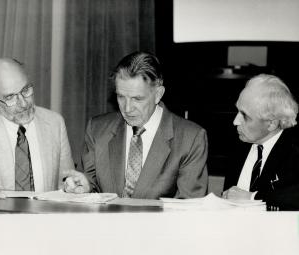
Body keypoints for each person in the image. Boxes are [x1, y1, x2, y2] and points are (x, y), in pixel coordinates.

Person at [64, 51, 208, 199]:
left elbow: (189, 209)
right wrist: (85, 186)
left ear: (158, 94)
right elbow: (92, 180)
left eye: (137, 99)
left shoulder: (191, 138)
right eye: (121, 96)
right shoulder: (97, 129)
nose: (127, 108)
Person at [0, 58, 80, 198]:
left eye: (26, 90)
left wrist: (72, 185)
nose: (23, 103)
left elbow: (67, 181)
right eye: (10, 97)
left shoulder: (54, 123)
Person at [223, 74, 299, 210]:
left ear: (271, 123)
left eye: (245, 116)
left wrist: (252, 198)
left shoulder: (294, 151)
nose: (235, 121)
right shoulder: (241, 141)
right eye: (237, 111)